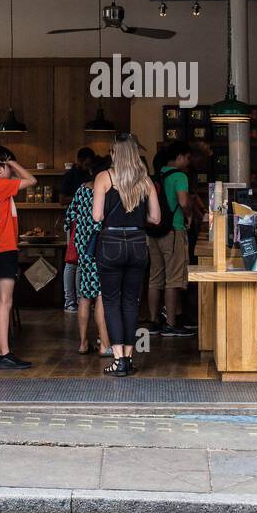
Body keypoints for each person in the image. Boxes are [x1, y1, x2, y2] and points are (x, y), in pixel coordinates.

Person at [92, 133, 161, 377]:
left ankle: (118, 359)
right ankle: (129, 358)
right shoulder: (145, 181)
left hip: (110, 243)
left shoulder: (104, 178)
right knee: (131, 302)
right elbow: (156, 218)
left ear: (114, 154)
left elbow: (97, 216)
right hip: (137, 243)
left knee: (111, 301)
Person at [0, 145, 37, 369]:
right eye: (8, 167)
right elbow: (31, 180)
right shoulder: (1, 184)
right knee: (5, 300)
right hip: (4, 246)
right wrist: (11, 162)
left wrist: (5, 163)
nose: (12, 171)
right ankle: (4, 353)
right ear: (0, 167)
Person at [146, 140, 195, 337]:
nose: (189, 162)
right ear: (180, 157)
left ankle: (154, 320)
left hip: (154, 231)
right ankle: (171, 323)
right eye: (187, 158)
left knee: (155, 277)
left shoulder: (158, 174)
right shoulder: (180, 176)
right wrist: (189, 213)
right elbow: (183, 202)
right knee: (174, 279)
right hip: (173, 230)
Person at [64, 156, 112, 358]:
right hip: (101, 248)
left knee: (85, 296)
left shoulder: (82, 189)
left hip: (84, 249)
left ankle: (83, 343)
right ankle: (105, 343)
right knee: (101, 295)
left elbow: (69, 218)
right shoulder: (105, 191)